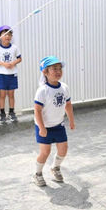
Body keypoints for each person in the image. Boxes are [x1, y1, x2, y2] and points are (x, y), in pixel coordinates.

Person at [33, 56, 75, 187]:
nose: (58, 71)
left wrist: (71, 120)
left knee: (63, 150)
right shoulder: (42, 91)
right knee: (45, 152)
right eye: (54, 69)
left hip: (58, 125)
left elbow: (68, 105)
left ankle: (55, 167)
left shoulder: (64, 87)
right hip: (44, 127)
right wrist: (41, 128)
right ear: (45, 72)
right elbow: (37, 111)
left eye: (59, 68)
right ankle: (37, 174)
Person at [0, 25, 22, 123]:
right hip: (1, 75)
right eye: (4, 34)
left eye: (9, 34)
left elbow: (19, 58)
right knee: (2, 95)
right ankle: (2, 113)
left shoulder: (14, 48)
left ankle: (12, 112)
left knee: (11, 94)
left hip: (12, 74)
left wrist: (13, 63)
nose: (7, 36)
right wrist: (3, 64)